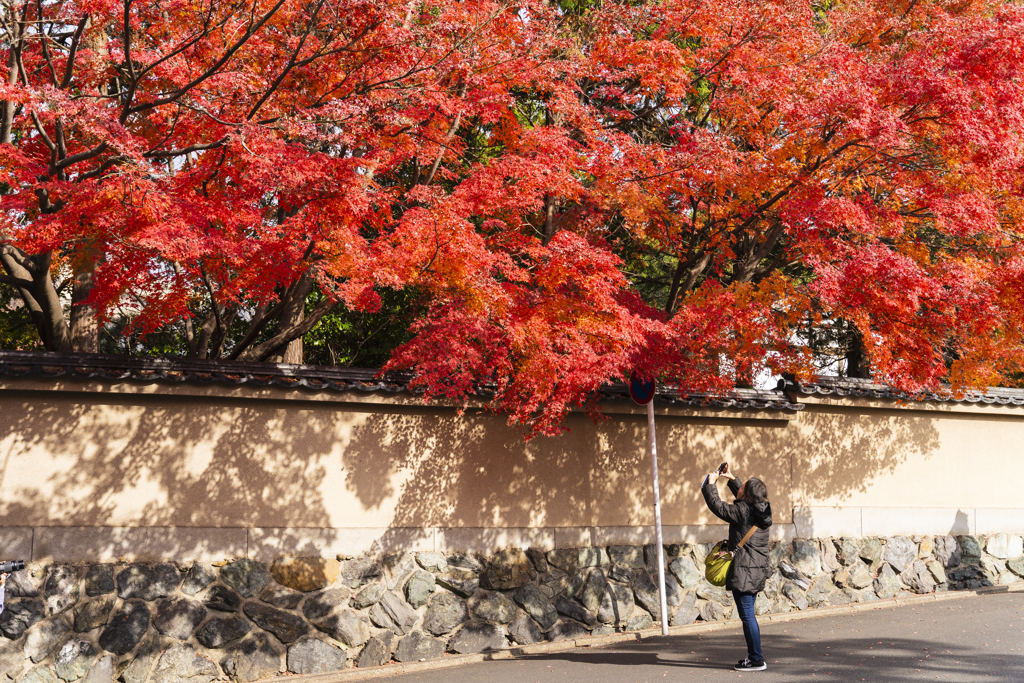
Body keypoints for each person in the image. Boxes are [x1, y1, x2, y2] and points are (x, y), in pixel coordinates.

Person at [702, 463, 773, 672]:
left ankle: (756, 660)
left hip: (744, 571)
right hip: (756, 569)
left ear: (748, 494)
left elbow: (719, 507)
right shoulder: (761, 509)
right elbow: (745, 499)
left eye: (743, 486)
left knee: (747, 616)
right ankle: (755, 657)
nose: (740, 488)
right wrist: (732, 479)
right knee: (749, 614)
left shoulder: (743, 511)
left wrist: (710, 484)